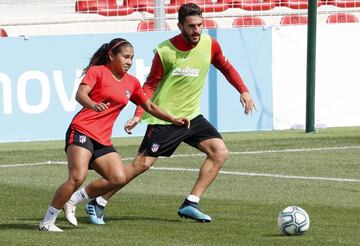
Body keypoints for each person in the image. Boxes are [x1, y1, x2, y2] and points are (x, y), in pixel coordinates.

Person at [65, 3, 256, 225]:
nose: (196, 30)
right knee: (142, 165)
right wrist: (138, 114)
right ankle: (99, 201)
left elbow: (226, 67)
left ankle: (191, 203)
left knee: (219, 152)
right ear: (180, 26)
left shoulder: (210, 44)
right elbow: (148, 86)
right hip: (164, 118)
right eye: (191, 26)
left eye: (200, 25)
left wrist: (243, 91)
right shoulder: (165, 51)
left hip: (191, 116)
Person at [38, 38, 190, 232]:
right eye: (125, 57)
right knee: (77, 177)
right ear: (111, 55)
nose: (129, 61)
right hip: (82, 130)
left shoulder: (132, 82)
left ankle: (73, 200)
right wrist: (92, 105)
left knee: (118, 177)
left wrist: (173, 119)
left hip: (102, 138)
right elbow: (80, 94)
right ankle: (47, 222)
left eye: (132, 58)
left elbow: (149, 106)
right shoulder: (97, 72)